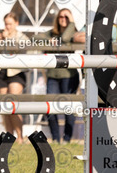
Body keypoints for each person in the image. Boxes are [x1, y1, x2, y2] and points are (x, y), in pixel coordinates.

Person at [33, 8, 80, 143]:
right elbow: (34, 39)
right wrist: (49, 41)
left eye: (66, 17)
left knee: (68, 108)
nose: (63, 19)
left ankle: (67, 139)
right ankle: (55, 138)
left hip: (69, 76)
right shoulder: (51, 33)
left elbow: (65, 39)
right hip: (53, 76)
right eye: (61, 17)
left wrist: (72, 23)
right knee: (50, 107)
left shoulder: (74, 33)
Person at [0, 12, 30, 144]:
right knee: (4, 107)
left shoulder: (22, 37)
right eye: (6, 24)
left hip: (16, 72)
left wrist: (7, 39)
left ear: (16, 23)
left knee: (13, 105)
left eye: (10, 24)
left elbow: (20, 50)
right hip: (2, 71)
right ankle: (9, 137)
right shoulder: (1, 36)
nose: (7, 27)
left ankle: (20, 137)